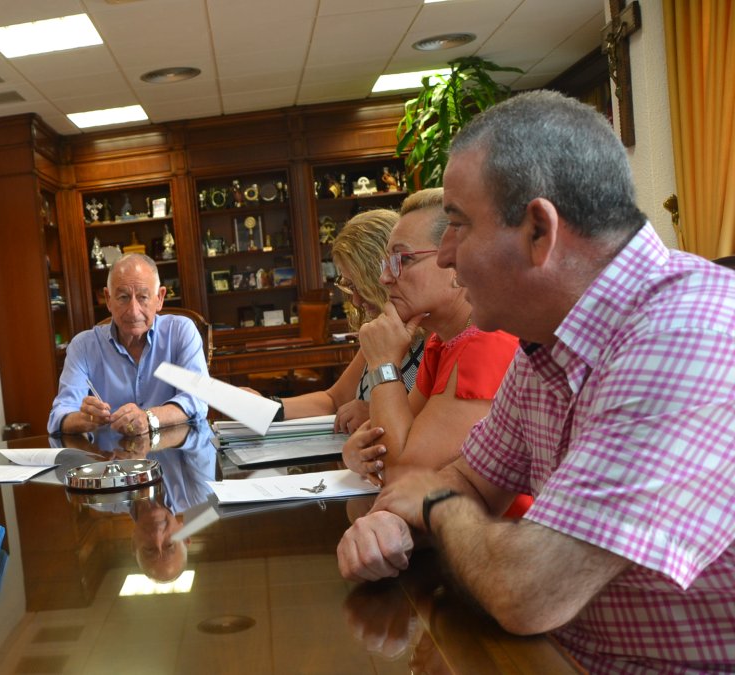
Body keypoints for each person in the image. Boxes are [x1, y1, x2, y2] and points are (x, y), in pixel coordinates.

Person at [336, 91, 735, 671]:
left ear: (539, 232)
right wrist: (396, 523)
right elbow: (468, 477)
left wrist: (437, 507)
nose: (445, 258)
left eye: (458, 226)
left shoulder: (686, 336)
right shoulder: (546, 342)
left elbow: (529, 592)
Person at [340, 189, 519, 486]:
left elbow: (402, 473)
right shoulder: (441, 342)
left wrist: (384, 363)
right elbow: (386, 440)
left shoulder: (487, 342)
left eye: (404, 258)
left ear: (454, 261)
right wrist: (354, 453)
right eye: (387, 262)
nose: (385, 278)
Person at [255, 209, 425, 434]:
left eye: (359, 287)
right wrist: (267, 407)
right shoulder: (381, 334)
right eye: (349, 286)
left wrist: (377, 413)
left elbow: (440, 427)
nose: (355, 300)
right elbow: (334, 400)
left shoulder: (437, 340)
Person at [48, 253, 207, 436]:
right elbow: (59, 416)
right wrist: (85, 418)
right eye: (123, 297)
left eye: (143, 297)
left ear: (160, 298)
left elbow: (197, 399)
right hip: (110, 459)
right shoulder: (83, 346)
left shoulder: (180, 332)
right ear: (108, 299)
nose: (133, 311)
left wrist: (148, 418)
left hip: (172, 455)